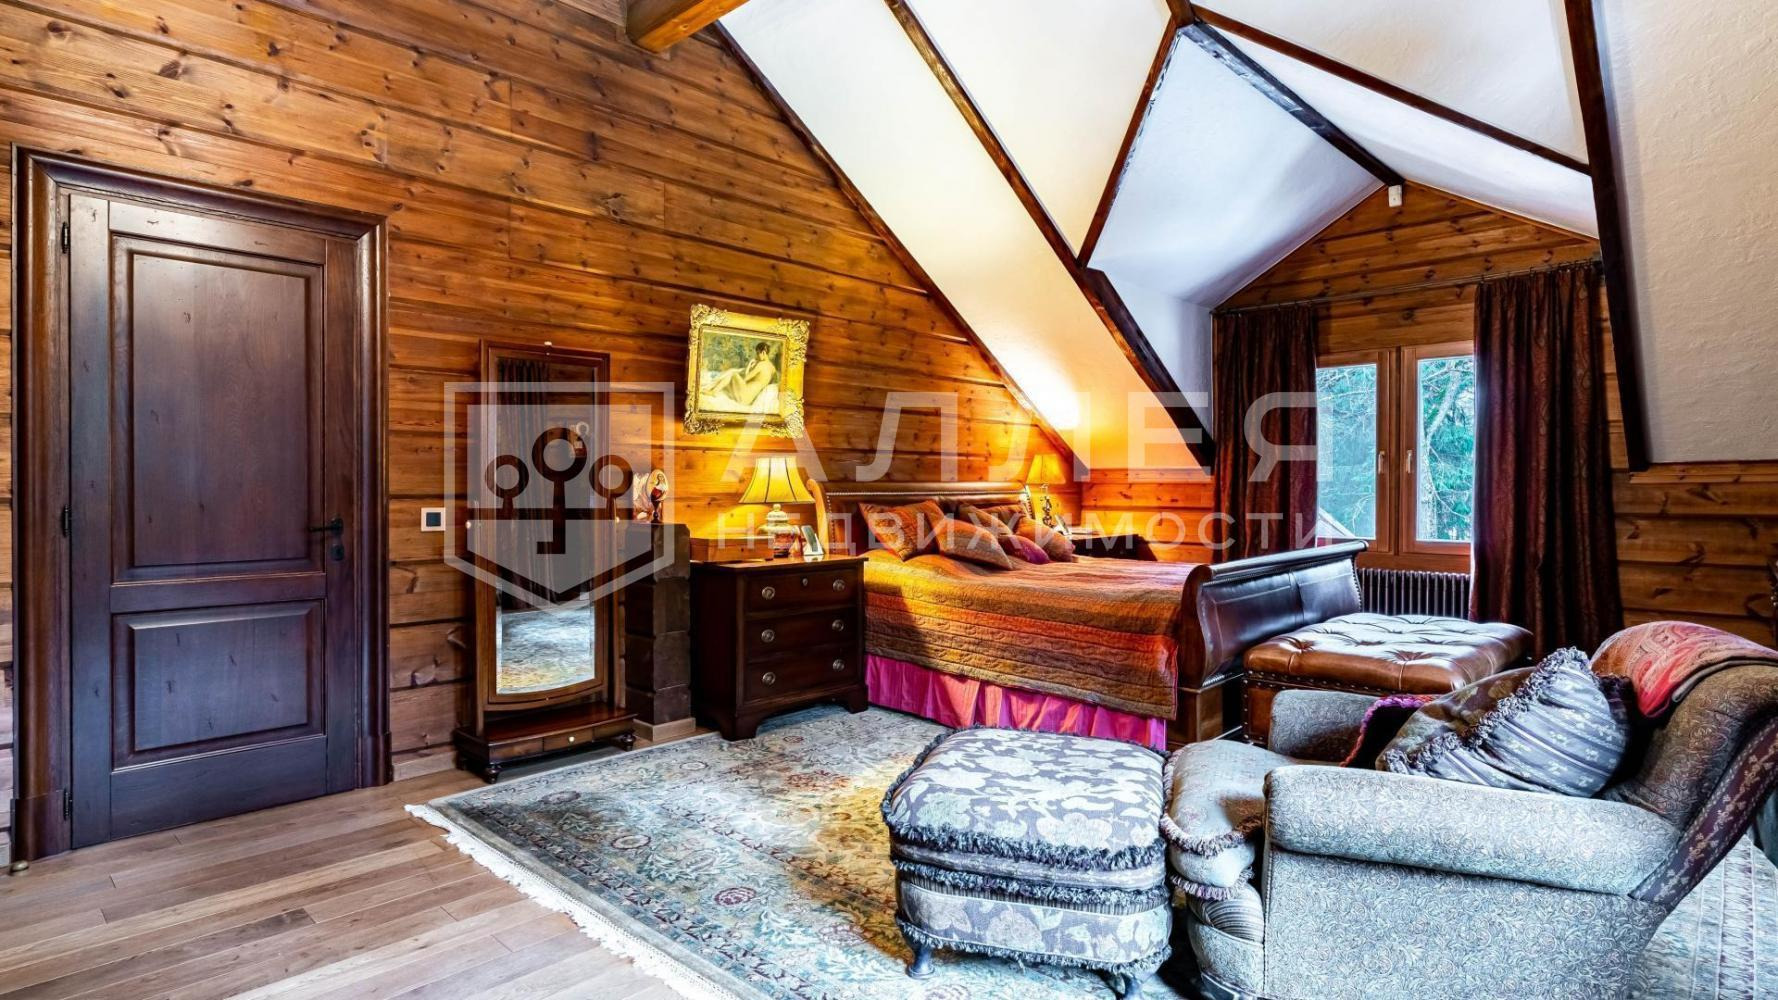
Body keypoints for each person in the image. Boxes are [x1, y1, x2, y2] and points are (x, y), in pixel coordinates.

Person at [704, 342, 777, 408]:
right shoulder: (773, 369)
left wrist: (750, 364)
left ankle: (713, 391)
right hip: (749, 400)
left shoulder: (761, 364)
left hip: (744, 395)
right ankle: (712, 389)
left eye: (758, 353)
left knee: (733, 373)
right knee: (730, 377)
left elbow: (745, 378)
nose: (757, 356)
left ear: (763, 352)